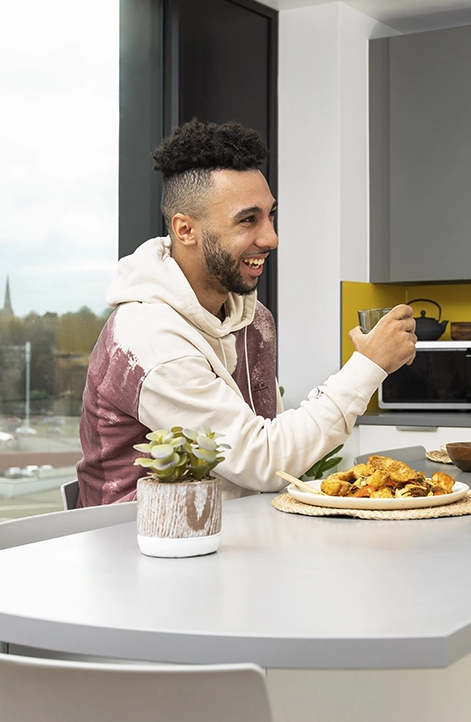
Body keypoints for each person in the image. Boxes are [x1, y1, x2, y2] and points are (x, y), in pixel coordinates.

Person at [76, 119, 417, 506]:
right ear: (186, 230)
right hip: (140, 548)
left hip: (238, 535)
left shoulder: (255, 321)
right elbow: (263, 461)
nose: (271, 237)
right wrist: (367, 366)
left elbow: (265, 455)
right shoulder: (148, 341)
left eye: (271, 216)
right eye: (247, 220)